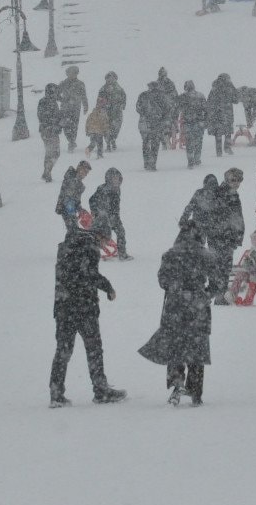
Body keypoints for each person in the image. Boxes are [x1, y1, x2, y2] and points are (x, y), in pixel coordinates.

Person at [138, 221, 216, 406]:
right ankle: (195, 392)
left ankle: (177, 382)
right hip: (197, 306)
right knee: (197, 346)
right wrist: (206, 294)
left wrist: (176, 287)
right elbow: (218, 282)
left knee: (175, 344)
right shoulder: (206, 255)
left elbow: (163, 281)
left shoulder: (170, 254)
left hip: (175, 306)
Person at [49, 227, 126, 407]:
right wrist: (108, 287)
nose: (104, 245)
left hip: (63, 306)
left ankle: (56, 393)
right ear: (100, 235)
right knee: (94, 349)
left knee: (63, 351)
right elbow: (89, 274)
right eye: (105, 241)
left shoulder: (65, 247)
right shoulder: (90, 247)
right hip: (84, 307)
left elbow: (67, 275)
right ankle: (101, 391)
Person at [205, 168, 245, 305]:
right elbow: (221, 216)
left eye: (239, 180)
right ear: (227, 179)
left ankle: (217, 294)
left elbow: (237, 217)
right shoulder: (220, 193)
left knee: (222, 266)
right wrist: (229, 233)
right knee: (220, 266)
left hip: (227, 237)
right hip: (220, 237)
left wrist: (238, 235)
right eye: (233, 180)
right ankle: (218, 295)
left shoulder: (232, 194)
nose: (236, 183)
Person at [88, 167, 131, 260]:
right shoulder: (104, 190)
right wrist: (96, 212)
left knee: (120, 232)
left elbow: (115, 205)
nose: (116, 180)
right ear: (109, 179)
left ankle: (122, 254)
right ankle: (90, 253)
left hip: (114, 217)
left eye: (117, 178)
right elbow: (92, 200)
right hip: (103, 218)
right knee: (99, 236)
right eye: (114, 178)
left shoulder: (117, 189)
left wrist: (115, 215)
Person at [136, 80, 169, 172]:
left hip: (145, 122)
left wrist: (145, 113)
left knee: (146, 142)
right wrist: (163, 120)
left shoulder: (143, 95)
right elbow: (167, 109)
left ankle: (147, 162)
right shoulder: (162, 96)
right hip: (156, 122)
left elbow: (138, 108)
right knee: (155, 143)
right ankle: (152, 163)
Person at [57, 65, 89, 153]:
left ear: (76, 74)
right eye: (69, 73)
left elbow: (84, 96)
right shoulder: (63, 83)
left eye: (73, 73)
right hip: (65, 108)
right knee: (65, 125)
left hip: (76, 109)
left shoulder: (80, 84)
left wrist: (85, 106)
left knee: (74, 126)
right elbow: (56, 94)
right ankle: (70, 140)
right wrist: (63, 100)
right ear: (67, 74)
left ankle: (71, 142)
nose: (71, 75)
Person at [207, 73, 239, 157]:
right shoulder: (229, 87)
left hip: (216, 115)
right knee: (228, 132)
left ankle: (219, 151)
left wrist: (210, 113)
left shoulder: (214, 88)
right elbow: (236, 100)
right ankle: (227, 147)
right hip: (227, 114)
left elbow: (209, 101)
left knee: (218, 133)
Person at [55, 160, 92, 233]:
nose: (85, 174)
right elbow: (67, 197)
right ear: (79, 168)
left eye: (87, 172)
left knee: (74, 231)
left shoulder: (78, 183)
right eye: (84, 171)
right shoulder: (71, 178)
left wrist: (80, 210)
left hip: (70, 210)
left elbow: (76, 200)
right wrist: (72, 213)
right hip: (67, 209)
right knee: (73, 231)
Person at [176, 80, 207, 168]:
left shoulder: (182, 97)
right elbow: (206, 109)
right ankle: (197, 158)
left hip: (187, 123)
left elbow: (177, 109)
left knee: (189, 142)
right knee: (198, 141)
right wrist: (206, 121)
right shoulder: (201, 95)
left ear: (185, 87)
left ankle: (190, 161)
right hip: (199, 122)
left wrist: (175, 119)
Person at [179, 173, 218, 241]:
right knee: (197, 243)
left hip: (211, 225)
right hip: (200, 224)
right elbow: (190, 206)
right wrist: (183, 219)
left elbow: (190, 207)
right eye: (210, 185)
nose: (211, 189)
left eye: (213, 185)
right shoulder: (199, 193)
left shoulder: (218, 194)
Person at [37, 83, 63, 183]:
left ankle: (47, 172)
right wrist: (54, 124)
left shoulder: (52, 102)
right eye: (55, 92)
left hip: (50, 130)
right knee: (54, 152)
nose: (57, 94)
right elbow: (42, 116)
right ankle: (47, 172)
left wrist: (59, 122)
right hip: (48, 130)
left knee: (51, 152)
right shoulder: (45, 102)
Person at [98, 71, 127, 152]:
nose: (110, 79)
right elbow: (99, 100)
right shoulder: (103, 89)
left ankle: (113, 139)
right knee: (106, 128)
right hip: (106, 111)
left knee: (116, 127)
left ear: (115, 79)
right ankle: (108, 143)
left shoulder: (119, 89)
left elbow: (124, 98)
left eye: (112, 78)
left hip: (117, 112)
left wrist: (122, 105)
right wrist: (100, 108)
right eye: (108, 78)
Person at [155, 67, 178, 149]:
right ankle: (165, 141)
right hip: (161, 108)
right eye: (162, 74)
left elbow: (175, 94)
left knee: (170, 124)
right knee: (162, 126)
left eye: (164, 74)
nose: (163, 76)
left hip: (169, 107)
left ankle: (168, 139)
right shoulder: (157, 84)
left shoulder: (170, 83)